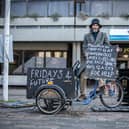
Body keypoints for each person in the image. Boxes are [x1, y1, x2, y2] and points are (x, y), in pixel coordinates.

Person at [78, 18, 110, 101]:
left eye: (96, 25)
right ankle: (83, 94)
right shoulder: (86, 36)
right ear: (91, 26)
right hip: (89, 61)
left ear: (99, 27)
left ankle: (103, 89)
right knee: (83, 76)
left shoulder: (103, 35)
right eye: (93, 25)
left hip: (99, 60)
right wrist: (86, 53)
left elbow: (107, 46)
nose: (95, 27)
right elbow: (84, 47)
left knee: (100, 74)